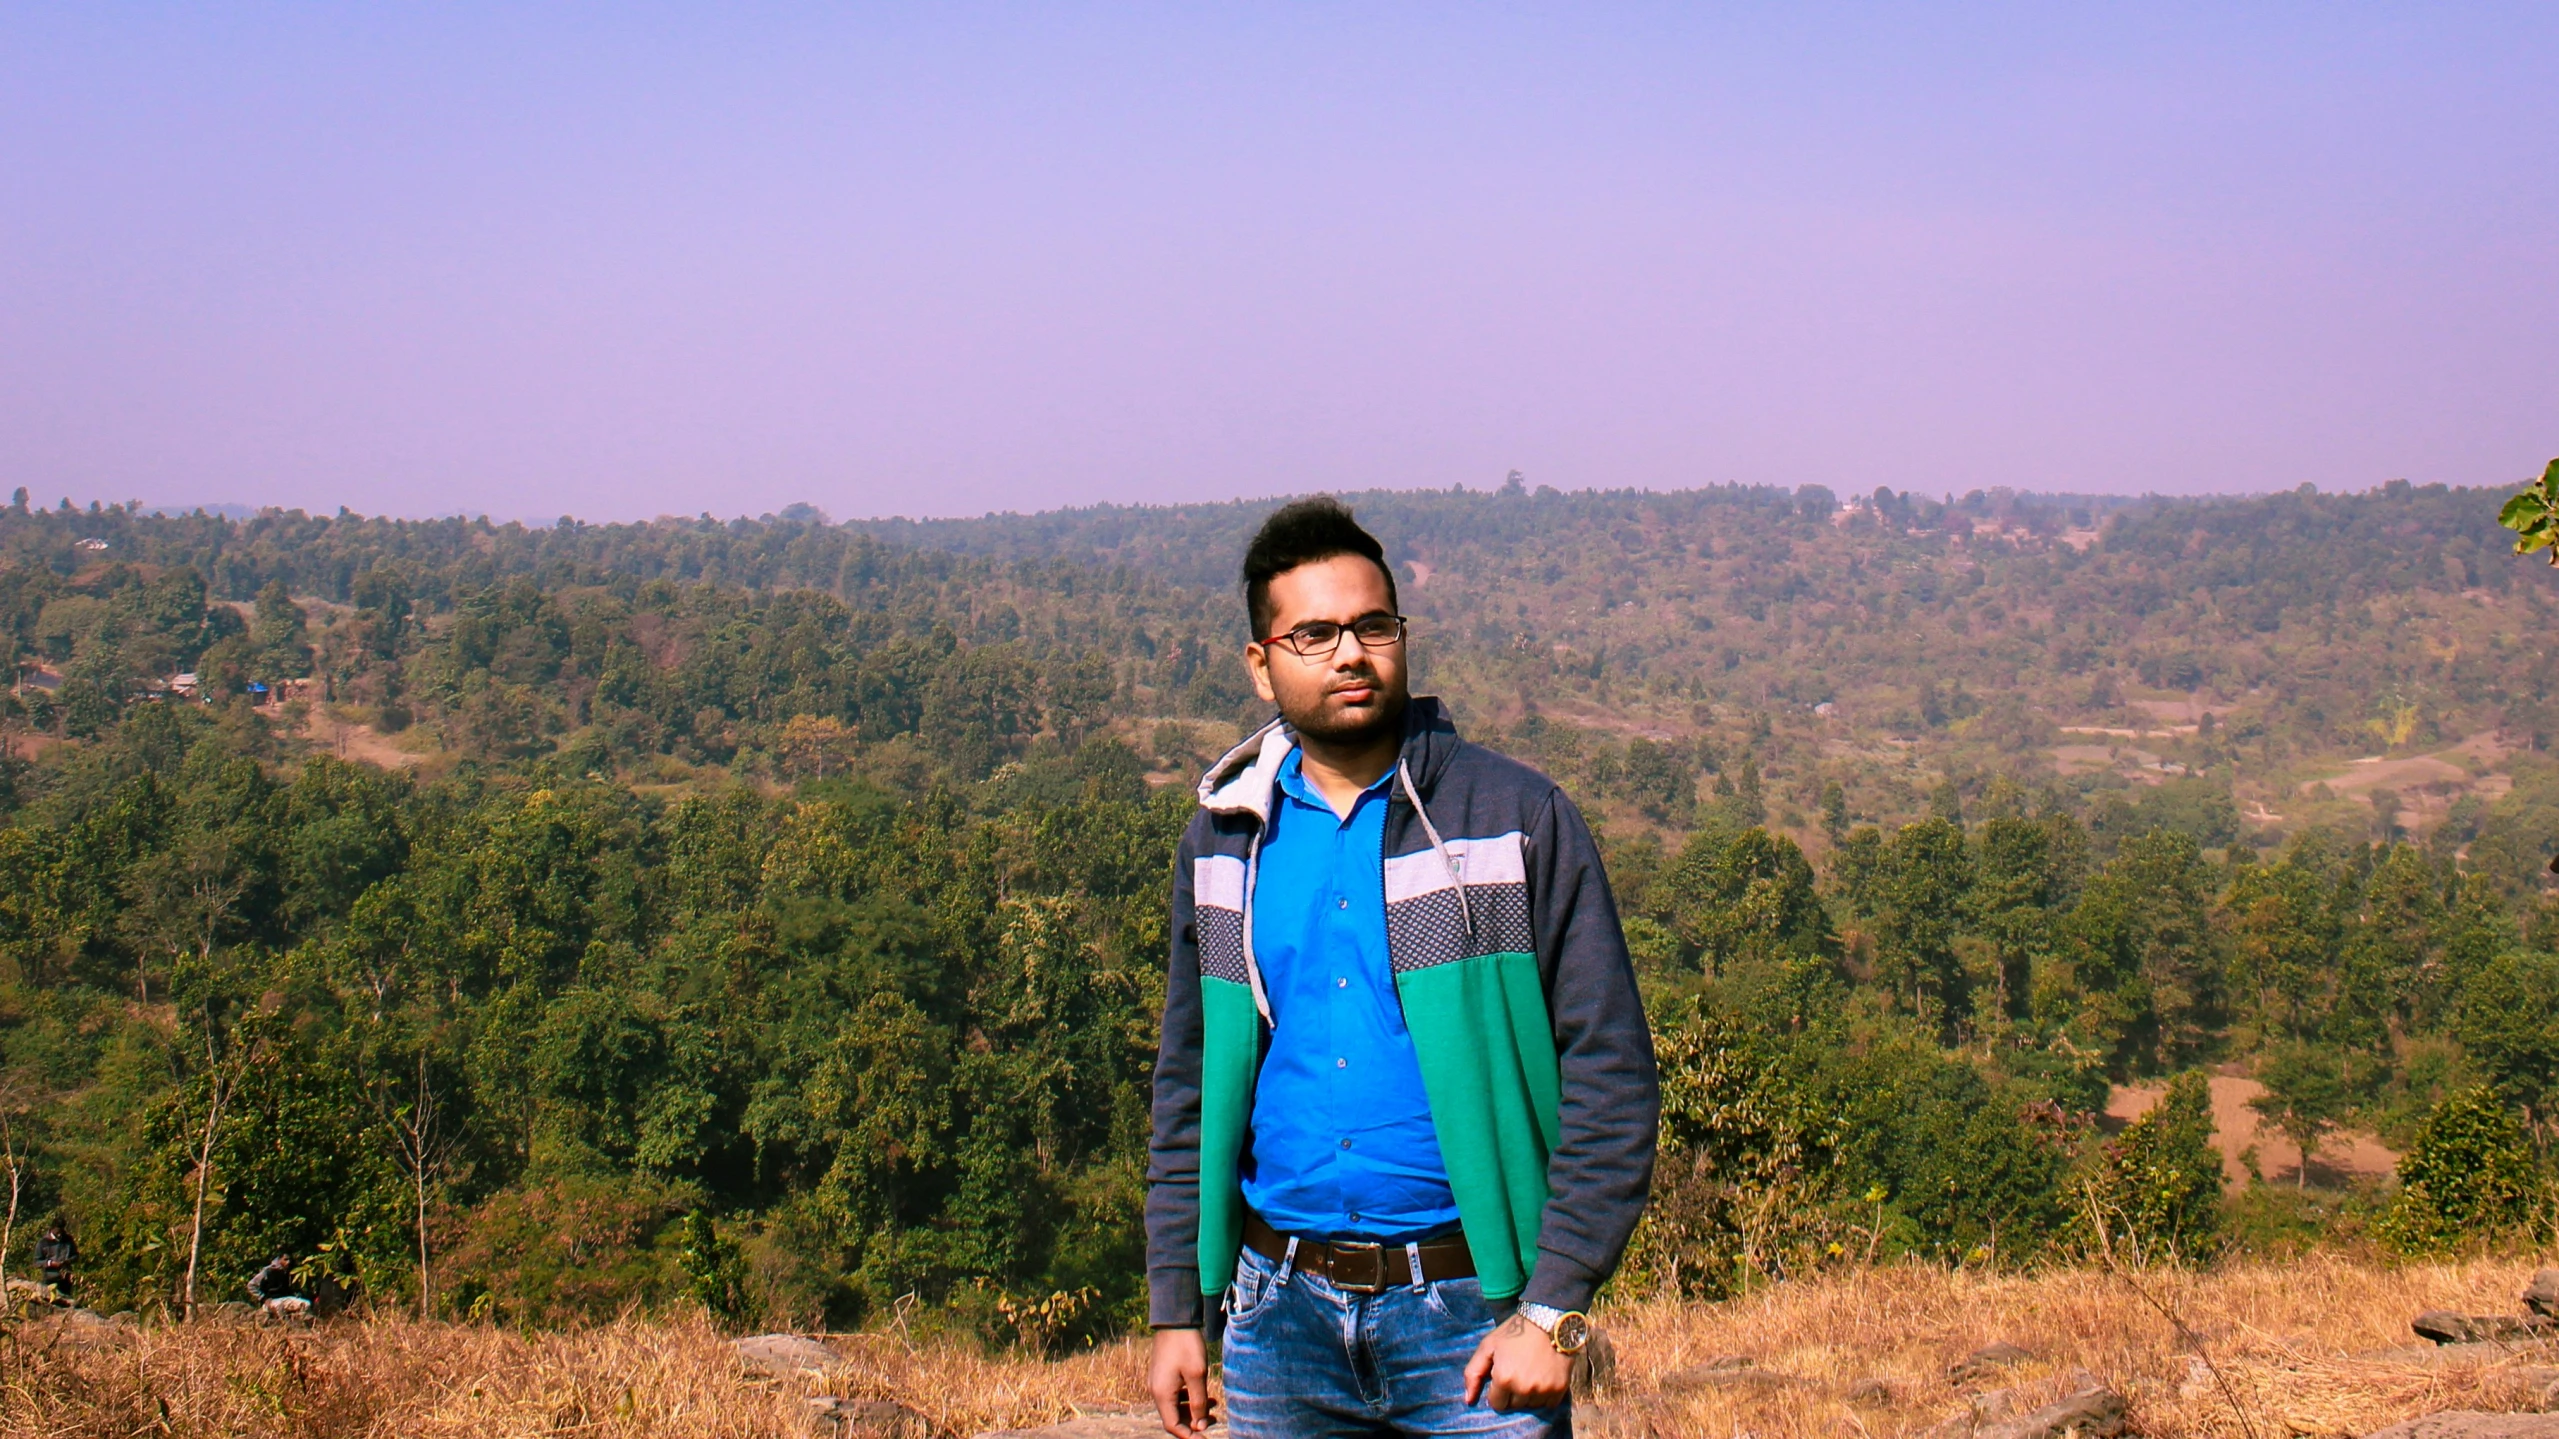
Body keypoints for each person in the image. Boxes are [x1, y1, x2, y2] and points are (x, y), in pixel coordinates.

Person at [1146, 499, 1660, 1438]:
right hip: (1275, 1321)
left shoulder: (1512, 819)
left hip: (1474, 1316)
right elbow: (1188, 1085)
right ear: (1260, 662)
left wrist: (1553, 1311)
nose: (1351, 652)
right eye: (1314, 633)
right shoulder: (1224, 840)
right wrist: (1180, 1306)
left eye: (1372, 626)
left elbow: (1610, 1073)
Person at [248, 1252, 310, 1318]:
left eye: (289, 1260)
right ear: (279, 1259)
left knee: (306, 1304)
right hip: (271, 1301)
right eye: (285, 1259)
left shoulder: (290, 1271)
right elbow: (251, 1285)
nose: (288, 1262)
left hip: (285, 1299)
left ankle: (299, 1323)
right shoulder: (268, 1271)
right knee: (279, 1308)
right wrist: (264, 1298)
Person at [34, 1220, 78, 1300]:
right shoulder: (43, 1242)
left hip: (65, 1279)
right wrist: (51, 1263)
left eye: (62, 1230)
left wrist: (67, 1261)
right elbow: (37, 1262)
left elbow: (76, 1255)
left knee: (66, 1301)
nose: (60, 1233)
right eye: (58, 1231)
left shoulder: (68, 1239)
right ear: (52, 1229)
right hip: (49, 1279)